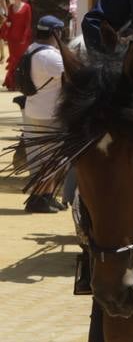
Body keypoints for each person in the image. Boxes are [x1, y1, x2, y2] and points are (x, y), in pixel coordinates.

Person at [19, 15, 66, 213]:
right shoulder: (51, 57)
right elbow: (74, 75)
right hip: (50, 113)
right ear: (56, 32)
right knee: (54, 158)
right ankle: (37, 198)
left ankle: (47, 196)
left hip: (32, 109)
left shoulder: (31, 49)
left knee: (40, 157)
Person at [1, 0, 32, 90]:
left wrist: (24, 38)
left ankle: (21, 83)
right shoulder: (10, 7)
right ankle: (12, 84)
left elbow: (27, 24)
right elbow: (9, 20)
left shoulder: (27, 7)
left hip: (22, 40)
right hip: (12, 39)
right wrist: (7, 24)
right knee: (13, 60)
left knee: (21, 61)